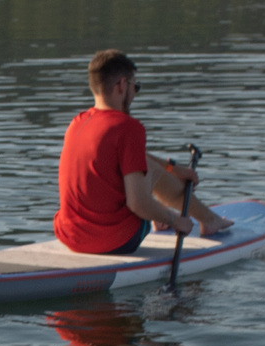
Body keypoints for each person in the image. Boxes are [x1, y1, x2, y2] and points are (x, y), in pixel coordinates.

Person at [54, 49, 230, 256]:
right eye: (135, 87)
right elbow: (136, 202)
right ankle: (206, 220)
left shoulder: (77, 123)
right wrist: (175, 221)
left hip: (69, 237)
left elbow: (132, 158)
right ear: (122, 85)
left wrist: (172, 168)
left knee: (146, 169)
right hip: (116, 242)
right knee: (148, 175)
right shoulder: (128, 127)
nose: (135, 94)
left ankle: (181, 217)